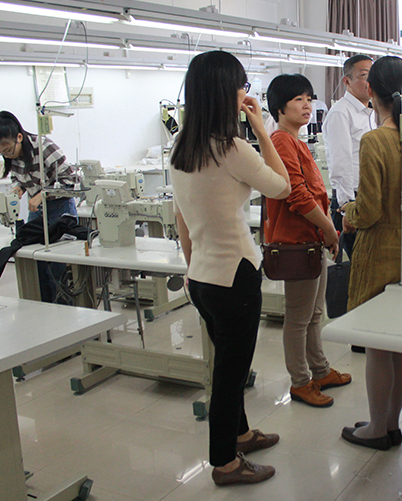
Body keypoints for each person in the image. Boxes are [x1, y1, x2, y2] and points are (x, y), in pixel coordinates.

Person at [170, 51, 290, 486]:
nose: (245, 94)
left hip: (203, 277)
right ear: (226, 92)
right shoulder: (231, 148)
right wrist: (262, 131)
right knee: (230, 376)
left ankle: (240, 434)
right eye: (242, 86)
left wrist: (193, 268)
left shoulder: (181, 147)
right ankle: (225, 462)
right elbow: (282, 186)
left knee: (228, 364)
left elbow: (181, 219)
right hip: (235, 276)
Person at [339, 56, 402, 450]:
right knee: (399, 343)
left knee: (378, 344)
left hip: (381, 252)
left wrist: (348, 213)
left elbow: (370, 209)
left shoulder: (374, 140)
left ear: (371, 91)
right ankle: (391, 423)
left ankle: (378, 428)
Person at [264, 74, 351, 409]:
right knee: (299, 318)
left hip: (311, 239)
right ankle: (301, 382)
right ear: (279, 106)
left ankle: (321, 370)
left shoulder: (297, 141)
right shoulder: (281, 141)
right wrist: (329, 228)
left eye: (309, 99)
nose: (307, 105)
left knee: (315, 313)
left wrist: (325, 230)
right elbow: (297, 196)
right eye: (298, 99)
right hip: (298, 242)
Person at [0, 110, 80, 303]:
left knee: (57, 270)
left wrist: (42, 195)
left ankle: (65, 313)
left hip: (60, 209)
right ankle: (44, 310)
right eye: (1, 153)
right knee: (37, 267)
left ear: (19, 137)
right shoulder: (12, 154)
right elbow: (17, 177)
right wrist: (18, 188)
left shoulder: (44, 147)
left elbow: (73, 181)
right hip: (37, 212)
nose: (7, 155)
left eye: (8, 150)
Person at [323, 54, 377, 259]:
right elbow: (341, 162)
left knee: (370, 262)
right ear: (346, 81)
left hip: (368, 194)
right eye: (364, 76)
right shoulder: (341, 113)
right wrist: (347, 208)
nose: (370, 81)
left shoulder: (371, 112)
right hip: (352, 198)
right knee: (361, 263)